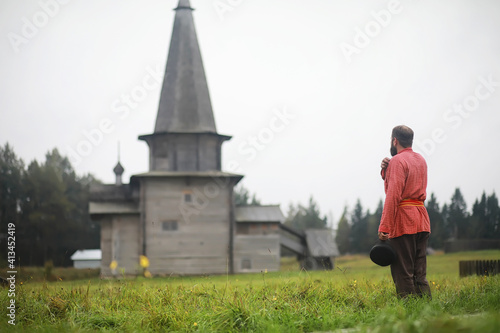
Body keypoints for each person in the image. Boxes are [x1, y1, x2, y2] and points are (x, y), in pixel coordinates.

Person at [378, 125, 432, 299]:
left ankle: (411, 314)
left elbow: (393, 195)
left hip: (404, 221)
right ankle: (427, 313)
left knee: (403, 272)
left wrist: (385, 226)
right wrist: (386, 170)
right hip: (422, 219)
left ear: (395, 140)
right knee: (419, 273)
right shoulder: (421, 160)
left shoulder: (397, 161)